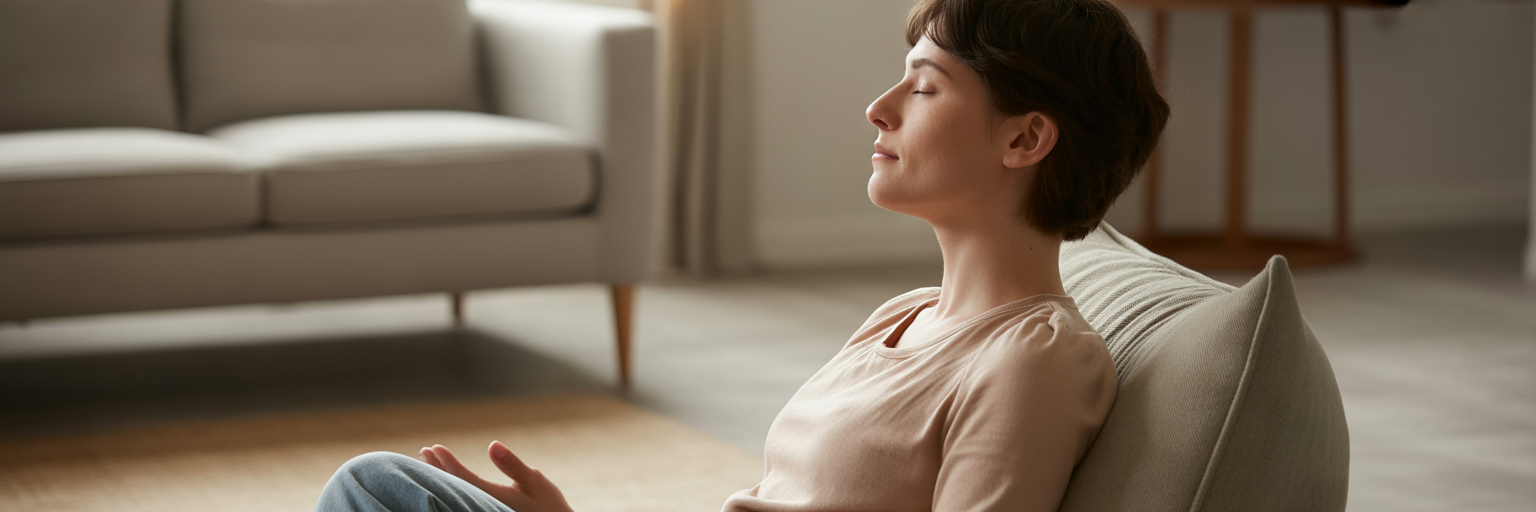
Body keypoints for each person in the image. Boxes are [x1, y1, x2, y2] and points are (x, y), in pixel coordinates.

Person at [314, 0, 1168, 510]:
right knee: (388, 485)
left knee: (373, 494)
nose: (879, 106)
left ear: (1025, 137)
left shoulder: (1033, 361)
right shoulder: (903, 319)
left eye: (927, 85)